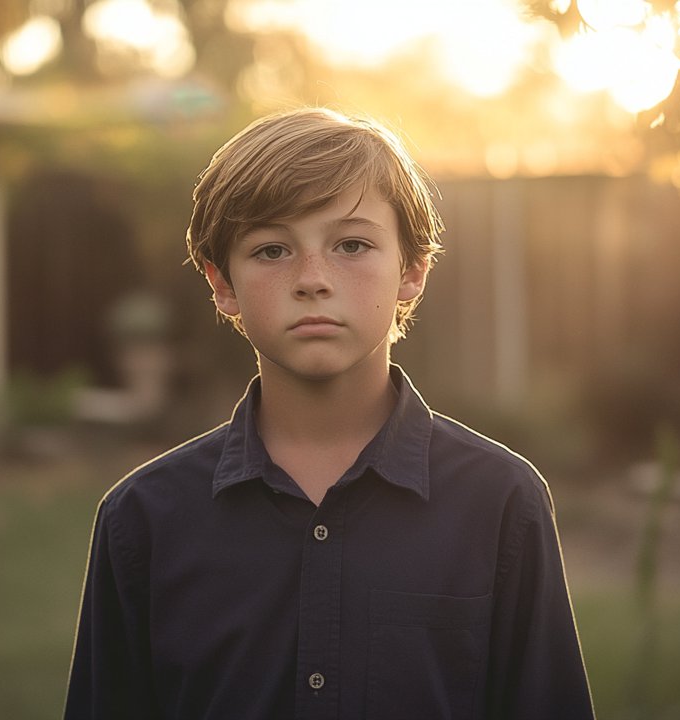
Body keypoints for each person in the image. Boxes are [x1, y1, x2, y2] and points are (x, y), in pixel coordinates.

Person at [64, 107, 595, 720]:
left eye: (352, 244)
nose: (312, 279)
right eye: (271, 249)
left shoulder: (502, 502)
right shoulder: (141, 520)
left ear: (411, 271)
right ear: (222, 284)